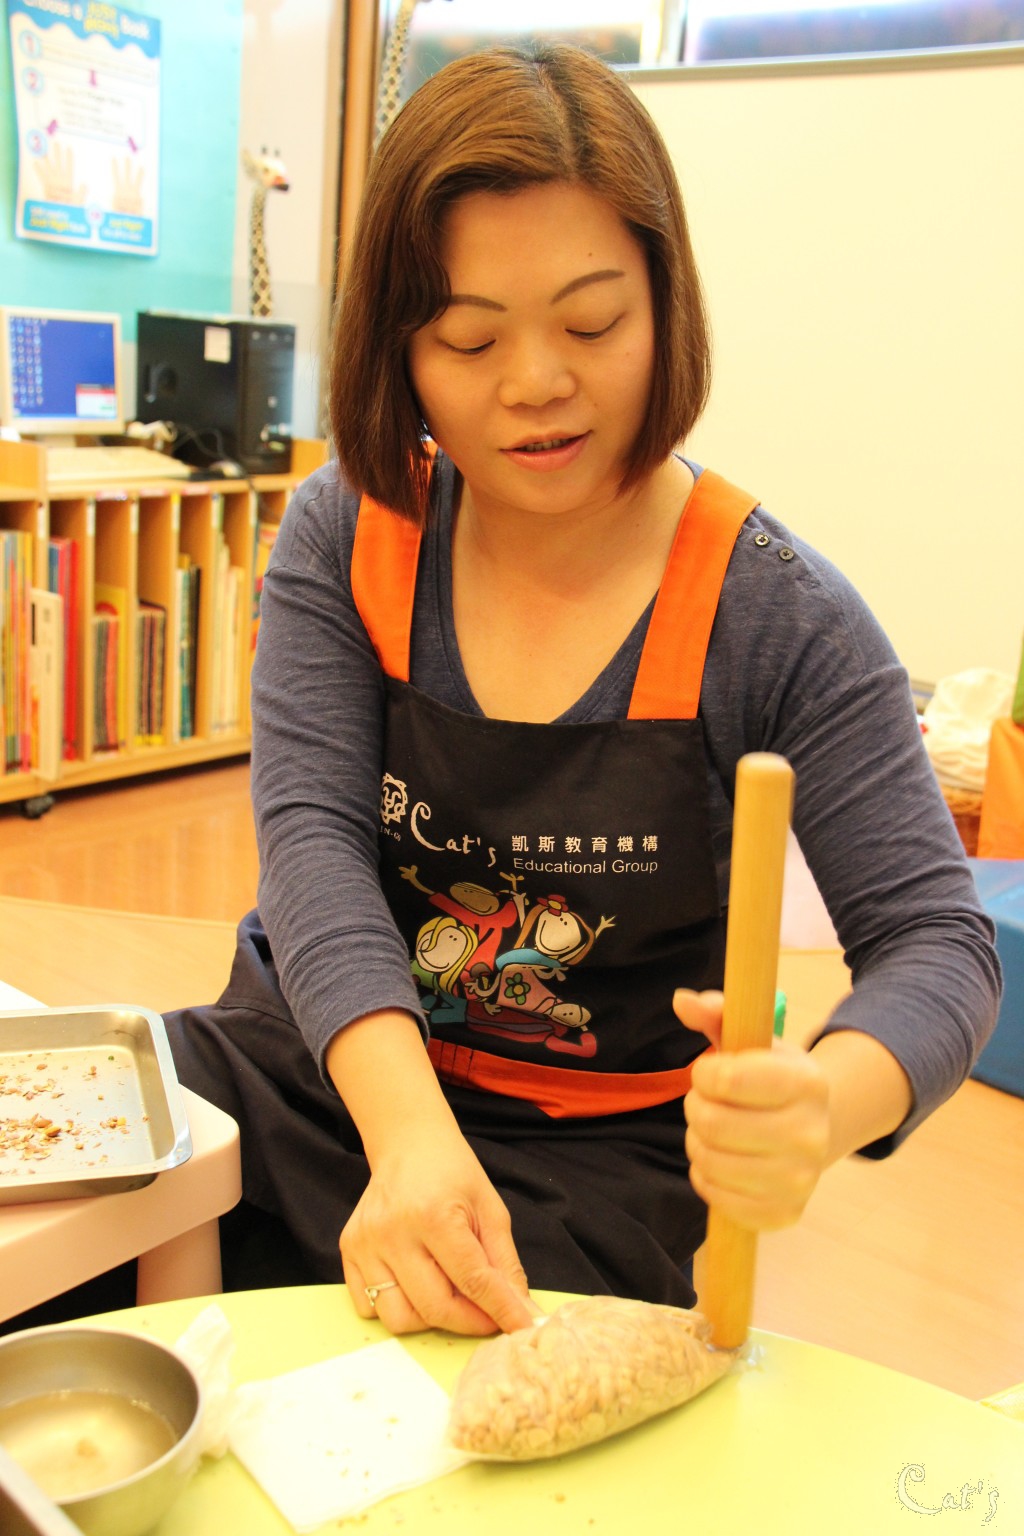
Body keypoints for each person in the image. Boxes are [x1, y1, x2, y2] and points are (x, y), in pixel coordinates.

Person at [165, 42, 1000, 1338]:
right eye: (470, 337)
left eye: (593, 323)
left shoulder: (778, 618)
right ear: (401, 349)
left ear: (666, 308)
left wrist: (821, 1105)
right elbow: (313, 848)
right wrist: (409, 1138)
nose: (537, 382)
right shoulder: (351, 530)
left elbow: (939, 942)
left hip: (586, 1162)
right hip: (320, 1069)